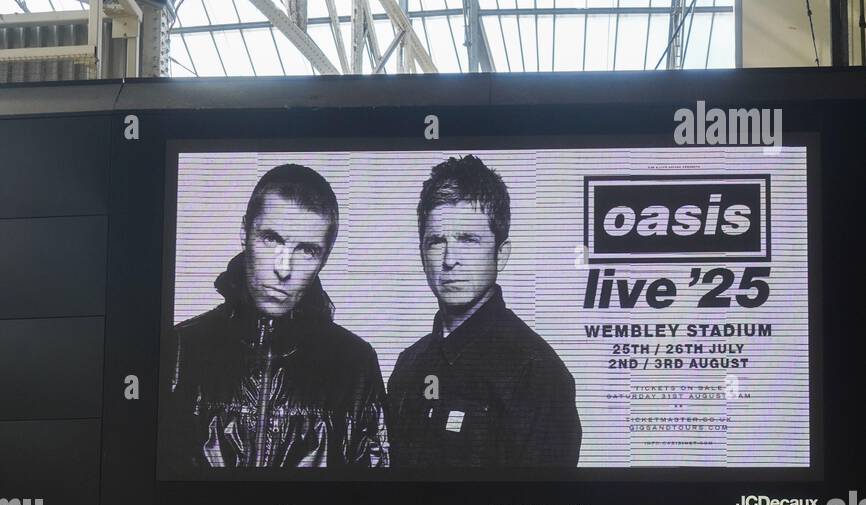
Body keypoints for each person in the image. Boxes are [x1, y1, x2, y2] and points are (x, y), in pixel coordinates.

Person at [164, 163, 389, 474]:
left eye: (307, 251)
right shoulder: (179, 348)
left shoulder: (356, 365)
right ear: (244, 233)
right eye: (271, 239)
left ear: (324, 258)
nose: (283, 269)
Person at [388, 154, 581, 476]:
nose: (450, 260)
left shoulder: (536, 373)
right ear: (422, 254)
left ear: (501, 254)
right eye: (436, 242)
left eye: (468, 240)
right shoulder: (409, 364)